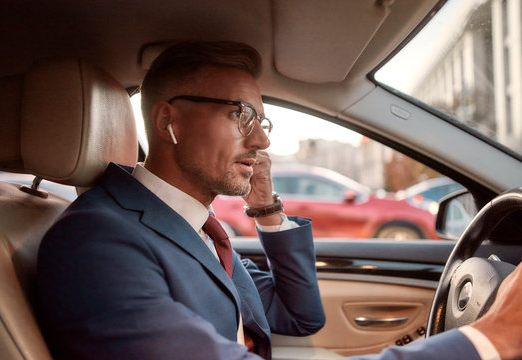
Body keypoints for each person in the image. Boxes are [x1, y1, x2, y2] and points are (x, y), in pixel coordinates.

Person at [37, 41, 522, 360]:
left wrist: (266, 210)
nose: (262, 143)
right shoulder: (95, 241)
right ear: (170, 123)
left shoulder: (193, 227)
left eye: (262, 123)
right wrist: (487, 339)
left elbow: (300, 315)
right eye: (242, 115)